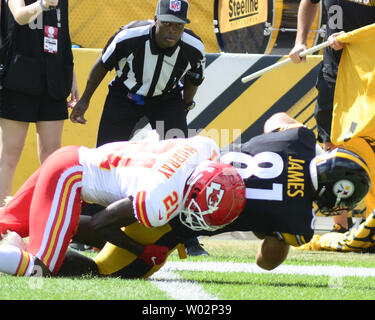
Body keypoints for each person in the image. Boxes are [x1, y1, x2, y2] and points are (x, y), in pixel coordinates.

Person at [56, 112, 371, 278]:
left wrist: (303, 147)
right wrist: (275, 231)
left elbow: (276, 120)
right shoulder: (298, 222)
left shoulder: (299, 139)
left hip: (170, 168)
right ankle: (44, 256)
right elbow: (266, 262)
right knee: (109, 270)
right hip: (171, 217)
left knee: (108, 222)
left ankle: (48, 223)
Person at [69, 0, 207, 255]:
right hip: (125, 96)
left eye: (178, 26)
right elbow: (101, 65)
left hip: (167, 100)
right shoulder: (129, 36)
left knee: (184, 165)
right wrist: (85, 100)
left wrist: (185, 107)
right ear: (155, 19)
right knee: (103, 160)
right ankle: (86, 229)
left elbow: (194, 78)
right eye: (166, 23)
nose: (171, 31)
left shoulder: (193, 47)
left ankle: (187, 236)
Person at [0, 134, 246, 277]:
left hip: (75, 158)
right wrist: (141, 250)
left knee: (8, 223)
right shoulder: (158, 203)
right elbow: (99, 224)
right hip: (70, 176)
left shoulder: (206, 148)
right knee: (40, 267)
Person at [288, 0, 375, 232]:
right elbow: (309, 2)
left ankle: (372, 220)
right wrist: (300, 41)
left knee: (369, 143)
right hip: (334, 70)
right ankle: (339, 227)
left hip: (369, 73)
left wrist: (354, 39)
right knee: (331, 146)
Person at [0, 0, 79, 207]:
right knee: (10, 152)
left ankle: (49, 217)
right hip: (18, 78)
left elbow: (64, 34)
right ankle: (1, 218)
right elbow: (19, 16)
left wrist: (71, 75)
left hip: (52, 80)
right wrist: (43, 4)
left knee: (52, 154)